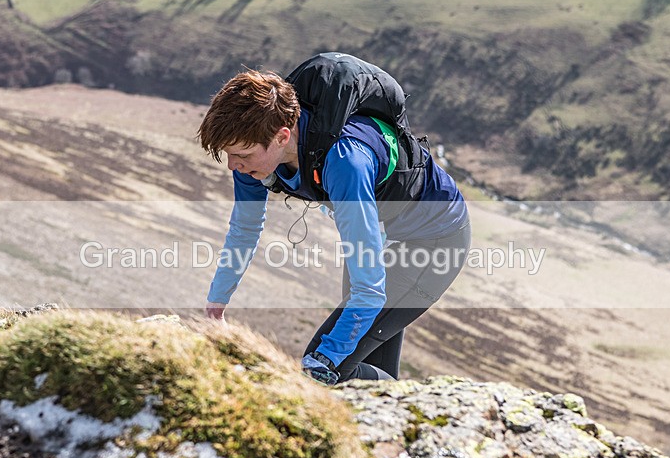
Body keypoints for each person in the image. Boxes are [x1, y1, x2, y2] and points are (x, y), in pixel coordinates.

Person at [198, 53, 470, 385]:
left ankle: (411, 406)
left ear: (283, 136)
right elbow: (244, 228)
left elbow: (369, 291)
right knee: (359, 363)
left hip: (433, 240)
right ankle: (390, 418)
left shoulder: (346, 161)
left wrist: (326, 359)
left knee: (323, 372)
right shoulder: (253, 156)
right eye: (227, 154)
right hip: (378, 234)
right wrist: (217, 305)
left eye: (241, 154)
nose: (232, 165)